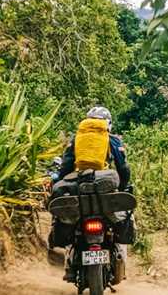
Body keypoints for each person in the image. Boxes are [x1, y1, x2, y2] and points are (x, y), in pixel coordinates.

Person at [50, 106, 133, 282]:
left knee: (72, 227)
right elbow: (123, 169)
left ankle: (69, 264)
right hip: (105, 189)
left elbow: (65, 167)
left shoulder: (76, 140)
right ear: (108, 124)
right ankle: (120, 263)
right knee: (121, 220)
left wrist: (62, 183)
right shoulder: (113, 140)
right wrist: (124, 187)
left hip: (79, 188)